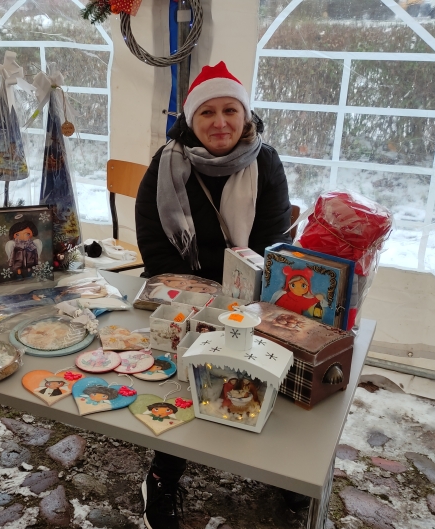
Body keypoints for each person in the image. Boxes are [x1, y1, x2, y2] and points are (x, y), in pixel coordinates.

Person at [135, 61, 296, 529]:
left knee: (268, 364)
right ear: (191, 119)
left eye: (230, 110)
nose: (220, 122)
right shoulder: (166, 163)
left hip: (250, 296)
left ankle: (283, 467)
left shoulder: (266, 162)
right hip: (184, 292)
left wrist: (239, 298)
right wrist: (195, 299)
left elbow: (272, 243)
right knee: (181, 373)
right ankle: (164, 475)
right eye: (207, 112)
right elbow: (153, 240)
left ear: (246, 116)